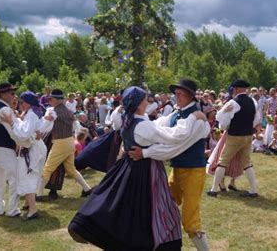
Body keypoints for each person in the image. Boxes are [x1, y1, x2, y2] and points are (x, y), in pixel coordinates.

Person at [68, 86, 209, 250]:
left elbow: (158, 124)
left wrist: (177, 113)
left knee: (129, 208)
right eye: (145, 100)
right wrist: (193, 117)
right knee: (153, 211)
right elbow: (173, 136)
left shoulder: (127, 119)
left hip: (129, 167)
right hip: (146, 170)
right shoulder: (143, 125)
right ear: (138, 105)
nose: (147, 101)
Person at [0, 91, 51, 220]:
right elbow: (26, 129)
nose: (20, 104)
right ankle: (28, 203)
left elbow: (23, 134)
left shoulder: (31, 115)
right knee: (30, 175)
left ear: (28, 103)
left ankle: (33, 210)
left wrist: (11, 123)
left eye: (22, 102)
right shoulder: (29, 114)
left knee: (27, 176)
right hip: (34, 147)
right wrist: (16, 120)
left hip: (33, 149)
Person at [208, 79, 261, 198]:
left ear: (236, 89)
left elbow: (220, 118)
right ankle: (253, 190)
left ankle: (214, 189)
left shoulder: (233, 103)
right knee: (247, 163)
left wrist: (224, 124)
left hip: (235, 135)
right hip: (248, 135)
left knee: (222, 161)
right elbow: (257, 119)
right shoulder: (253, 101)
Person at [37, 89, 92, 198]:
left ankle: (38, 194)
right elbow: (78, 127)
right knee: (71, 169)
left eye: (51, 99)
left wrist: (39, 129)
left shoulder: (53, 112)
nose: (50, 101)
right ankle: (87, 189)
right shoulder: (69, 112)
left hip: (60, 142)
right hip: (70, 142)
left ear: (56, 100)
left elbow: (45, 127)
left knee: (47, 168)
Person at [0, 82, 21, 217]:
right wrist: (25, 142)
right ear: (3, 94)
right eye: (11, 93)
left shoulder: (0, 107)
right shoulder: (4, 110)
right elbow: (13, 133)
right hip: (3, 148)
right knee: (15, 178)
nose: (13, 96)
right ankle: (13, 210)